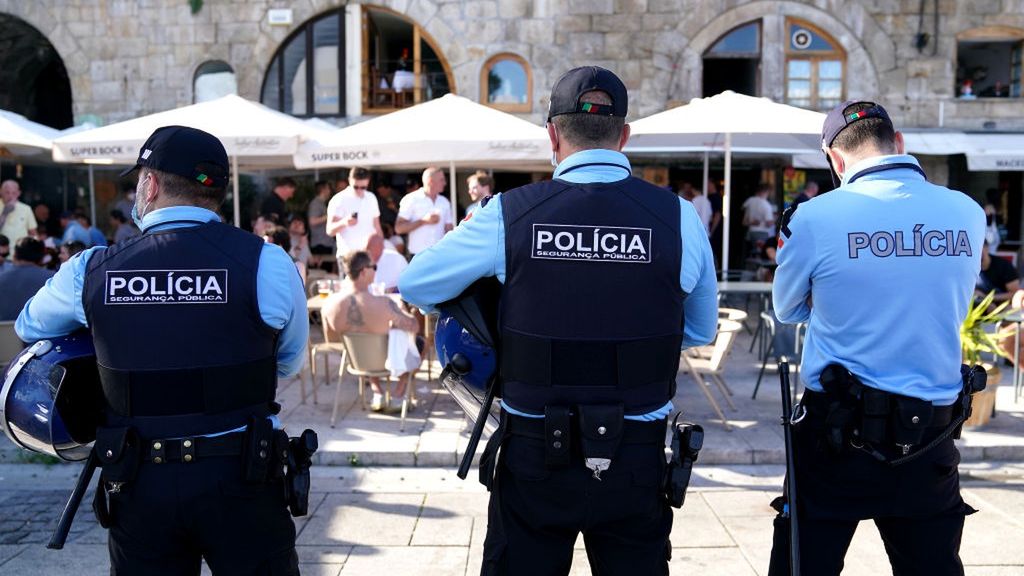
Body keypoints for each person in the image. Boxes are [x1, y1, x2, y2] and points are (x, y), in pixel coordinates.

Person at [399, 66, 718, 575]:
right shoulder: (679, 217)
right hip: (634, 457)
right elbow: (700, 331)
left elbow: (416, 284)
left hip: (535, 454)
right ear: (623, 136)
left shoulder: (508, 214)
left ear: (552, 135)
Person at [15, 125, 308, 574]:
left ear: (150, 185)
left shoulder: (91, 269)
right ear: (217, 192)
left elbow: (30, 326)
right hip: (244, 476)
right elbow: (287, 362)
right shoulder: (266, 262)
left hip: (139, 482)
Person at [768, 100, 985, 575]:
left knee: (805, 563)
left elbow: (787, 309)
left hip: (835, 434)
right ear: (898, 142)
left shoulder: (813, 218)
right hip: (930, 432)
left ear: (834, 158)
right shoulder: (967, 211)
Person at [322, 250, 419, 411]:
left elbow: (331, 341)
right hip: (386, 362)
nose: (375, 270)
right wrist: (403, 310)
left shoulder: (330, 305)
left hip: (356, 361)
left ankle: (377, 392)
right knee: (418, 343)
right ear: (364, 271)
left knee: (366, 344)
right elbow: (414, 326)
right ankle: (397, 395)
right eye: (374, 267)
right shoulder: (385, 304)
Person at [326, 167, 382, 270]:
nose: (359, 190)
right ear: (349, 180)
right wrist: (344, 222)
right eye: (356, 187)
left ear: (368, 182)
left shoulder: (371, 198)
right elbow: (330, 230)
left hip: (368, 255)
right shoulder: (339, 199)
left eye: (363, 187)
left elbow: (377, 226)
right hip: (348, 255)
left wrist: (381, 247)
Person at [395, 167, 453, 257]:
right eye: (442, 180)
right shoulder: (411, 199)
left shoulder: (444, 201)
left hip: (440, 254)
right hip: (418, 255)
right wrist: (423, 221)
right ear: (430, 181)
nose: (445, 183)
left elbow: (449, 229)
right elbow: (399, 228)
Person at [0, 237, 54, 321]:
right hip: (41, 328)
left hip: (4, 329)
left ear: (14, 255)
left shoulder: (2, 278)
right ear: (42, 258)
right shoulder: (53, 279)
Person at [0, 180, 38, 252]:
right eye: (7, 192)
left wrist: (35, 250)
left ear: (19, 193)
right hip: (2, 254)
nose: (10, 196)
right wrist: (5, 213)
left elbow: (33, 233)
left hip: (21, 254)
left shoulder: (26, 209)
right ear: (1, 192)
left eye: (14, 193)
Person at [307, 180, 337, 267]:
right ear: (323, 190)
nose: (330, 191)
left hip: (325, 243)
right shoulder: (315, 204)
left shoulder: (321, 203)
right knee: (323, 270)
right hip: (320, 244)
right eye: (328, 188)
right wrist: (330, 216)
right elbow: (312, 221)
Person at [740, 182, 775, 254]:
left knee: (751, 252)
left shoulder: (749, 200)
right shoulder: (766, 205)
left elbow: (742, 209)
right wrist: (774, 219)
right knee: (761, 253)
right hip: (762, 233)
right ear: (766, 192)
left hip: (750, 233)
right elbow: (769, 223)